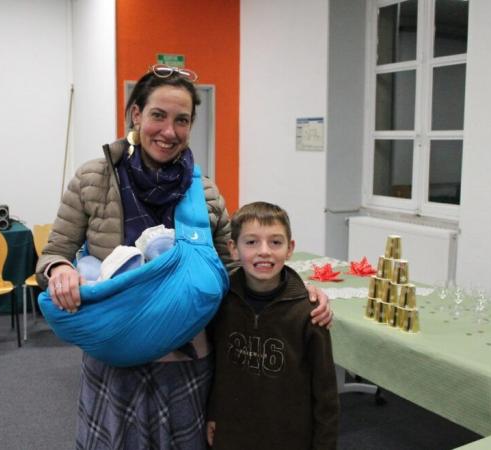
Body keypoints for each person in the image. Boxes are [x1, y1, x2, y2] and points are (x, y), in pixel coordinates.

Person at [36, 65, 334, 449]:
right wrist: (60, 270)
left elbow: (233, 270)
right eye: (158, 115)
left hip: (186, 361)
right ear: (136, 114)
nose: (169, 131)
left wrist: (295, 291)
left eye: (182, 120)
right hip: (117, 357)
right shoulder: (94, 179)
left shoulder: (204, 193)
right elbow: (54, 253)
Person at [206, 202, 339, 450]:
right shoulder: (222, 303)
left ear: (290, 249)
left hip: (289, 435)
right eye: (251, 242)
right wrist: (213, 412)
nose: (264, 251)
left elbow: (326, 394)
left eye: (275, 242)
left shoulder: (309, 313)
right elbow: (217, 369)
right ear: (233, 249)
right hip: (233, 432)